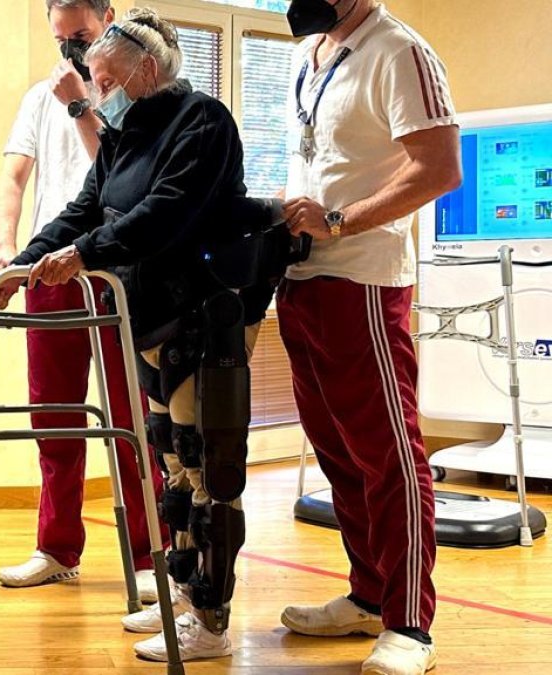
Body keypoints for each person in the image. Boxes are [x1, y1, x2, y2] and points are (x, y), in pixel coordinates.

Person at [0, 7, 268, 662]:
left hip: (204, 315)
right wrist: (21, 264)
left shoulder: (203, 121)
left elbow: (162, 214)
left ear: (145, 71)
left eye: (107, 80)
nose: (98, 94)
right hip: (150, 321)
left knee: (207, 468)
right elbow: (86, 207)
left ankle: (213, 617)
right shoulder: (127, 134)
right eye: (95, 82)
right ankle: (178, 590)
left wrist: (84, 252)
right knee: (170, 458)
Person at [275, 1, 461, 673]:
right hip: (303, 280)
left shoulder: (400, 51)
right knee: (340, 454)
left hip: (365, 280)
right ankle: (369, 594)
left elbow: (439, 168)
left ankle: (410, 625)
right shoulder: (308, 54)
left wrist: (340, 219)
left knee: (390, 457)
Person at [0, 0, 164, 600]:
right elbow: (12, 178)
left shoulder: (135, 90)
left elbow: (114, 177)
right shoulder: (40, 96)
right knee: (52, 415)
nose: (70, 49)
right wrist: (7, 252)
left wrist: (82, 102)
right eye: (60, 37)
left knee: (129, 418)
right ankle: (57, 546)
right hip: (49, 272)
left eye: (80, 35)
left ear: (109, 16)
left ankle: (148, 554)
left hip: (113, 271)